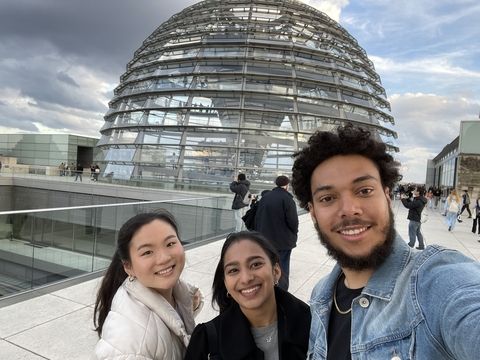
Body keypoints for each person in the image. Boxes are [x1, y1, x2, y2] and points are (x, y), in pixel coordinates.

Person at [290, 124, 480, 359]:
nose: (349, 210)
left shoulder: (433, 281)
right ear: (313, 213)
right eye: (328, 198)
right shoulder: (321, 297)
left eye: (364, 190)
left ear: (388, 196)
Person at [93, 211, 203, 359]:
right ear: (128, 267)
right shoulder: (129, 344)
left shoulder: (180, 294)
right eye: (147, 252)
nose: (164, 258)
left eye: (170, 243)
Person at [184, 231, 311, 360]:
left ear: (276, 271)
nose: (246, 279)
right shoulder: (206, 341)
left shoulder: (313, 325)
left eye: (256, 264)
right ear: (226, 283)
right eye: (233, 270)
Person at [254, 176, 298, 291]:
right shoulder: (288, 199)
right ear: (287, 185)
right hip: (283, 241)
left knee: (267, 263)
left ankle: (266, 286)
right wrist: (294, 233)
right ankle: (282, 291)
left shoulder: (265, 197)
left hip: (265, 240)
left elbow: (258, 217)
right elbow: (293, 222)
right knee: (282, 266)